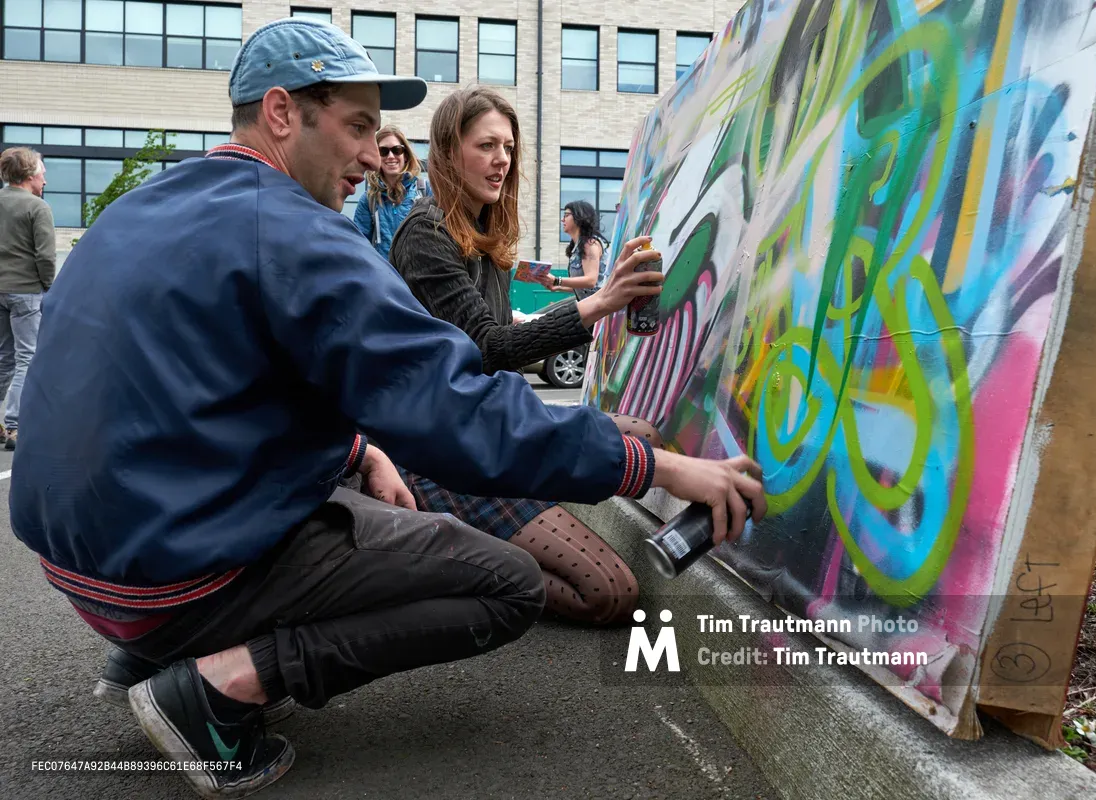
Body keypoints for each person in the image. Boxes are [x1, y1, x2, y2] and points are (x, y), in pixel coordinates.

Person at [8, 18, 766, 799]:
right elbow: (457, 406)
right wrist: (657, 467)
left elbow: (209, 392)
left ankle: (158, 656)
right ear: (280, 112)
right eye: (359, 126)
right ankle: (214, 690)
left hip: (82, 567)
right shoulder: (301, 232)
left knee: (378, 492)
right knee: (504, 586)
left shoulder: (143, 206)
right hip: (174, 583)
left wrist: (355, 451)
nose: (375, 154)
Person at [389, 87, 660, 625]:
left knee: (643, 436)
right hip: (441, 452)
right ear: (448, 150)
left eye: (508, 148)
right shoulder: (426, 233)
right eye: (486, 145)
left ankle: (504, 520)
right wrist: (603, 301)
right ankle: (439, 554)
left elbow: (490, 330)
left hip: (489, 421)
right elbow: (489, 349)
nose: (501, 161)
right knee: (609, 594)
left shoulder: (482, 230)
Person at [0, 147, 55, 451]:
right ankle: (15, 426)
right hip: (26, 291)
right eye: (42, 174)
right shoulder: (37, 208)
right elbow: (45, 256)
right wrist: (49, 286)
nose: (45, 180)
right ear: (30, 175)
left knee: (3, 358)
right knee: (26, 358)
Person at [352, 124, 428, 260]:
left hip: (419, 277)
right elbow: (359, 246)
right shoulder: (369, 200)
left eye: (397, 150)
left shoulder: (425, 191)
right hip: (384, 277)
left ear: (405, 156)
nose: (391, 156)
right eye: (383, 151)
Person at [544, 200, 605, 301]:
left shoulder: (590, 244)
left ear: (579, 217)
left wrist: (557, 280)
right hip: (591, 307)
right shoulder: (578, 246)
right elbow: (586, 288)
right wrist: (558, 287)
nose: (562, 220)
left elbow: (591, 281)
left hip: (599, 310)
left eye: (566, 215)